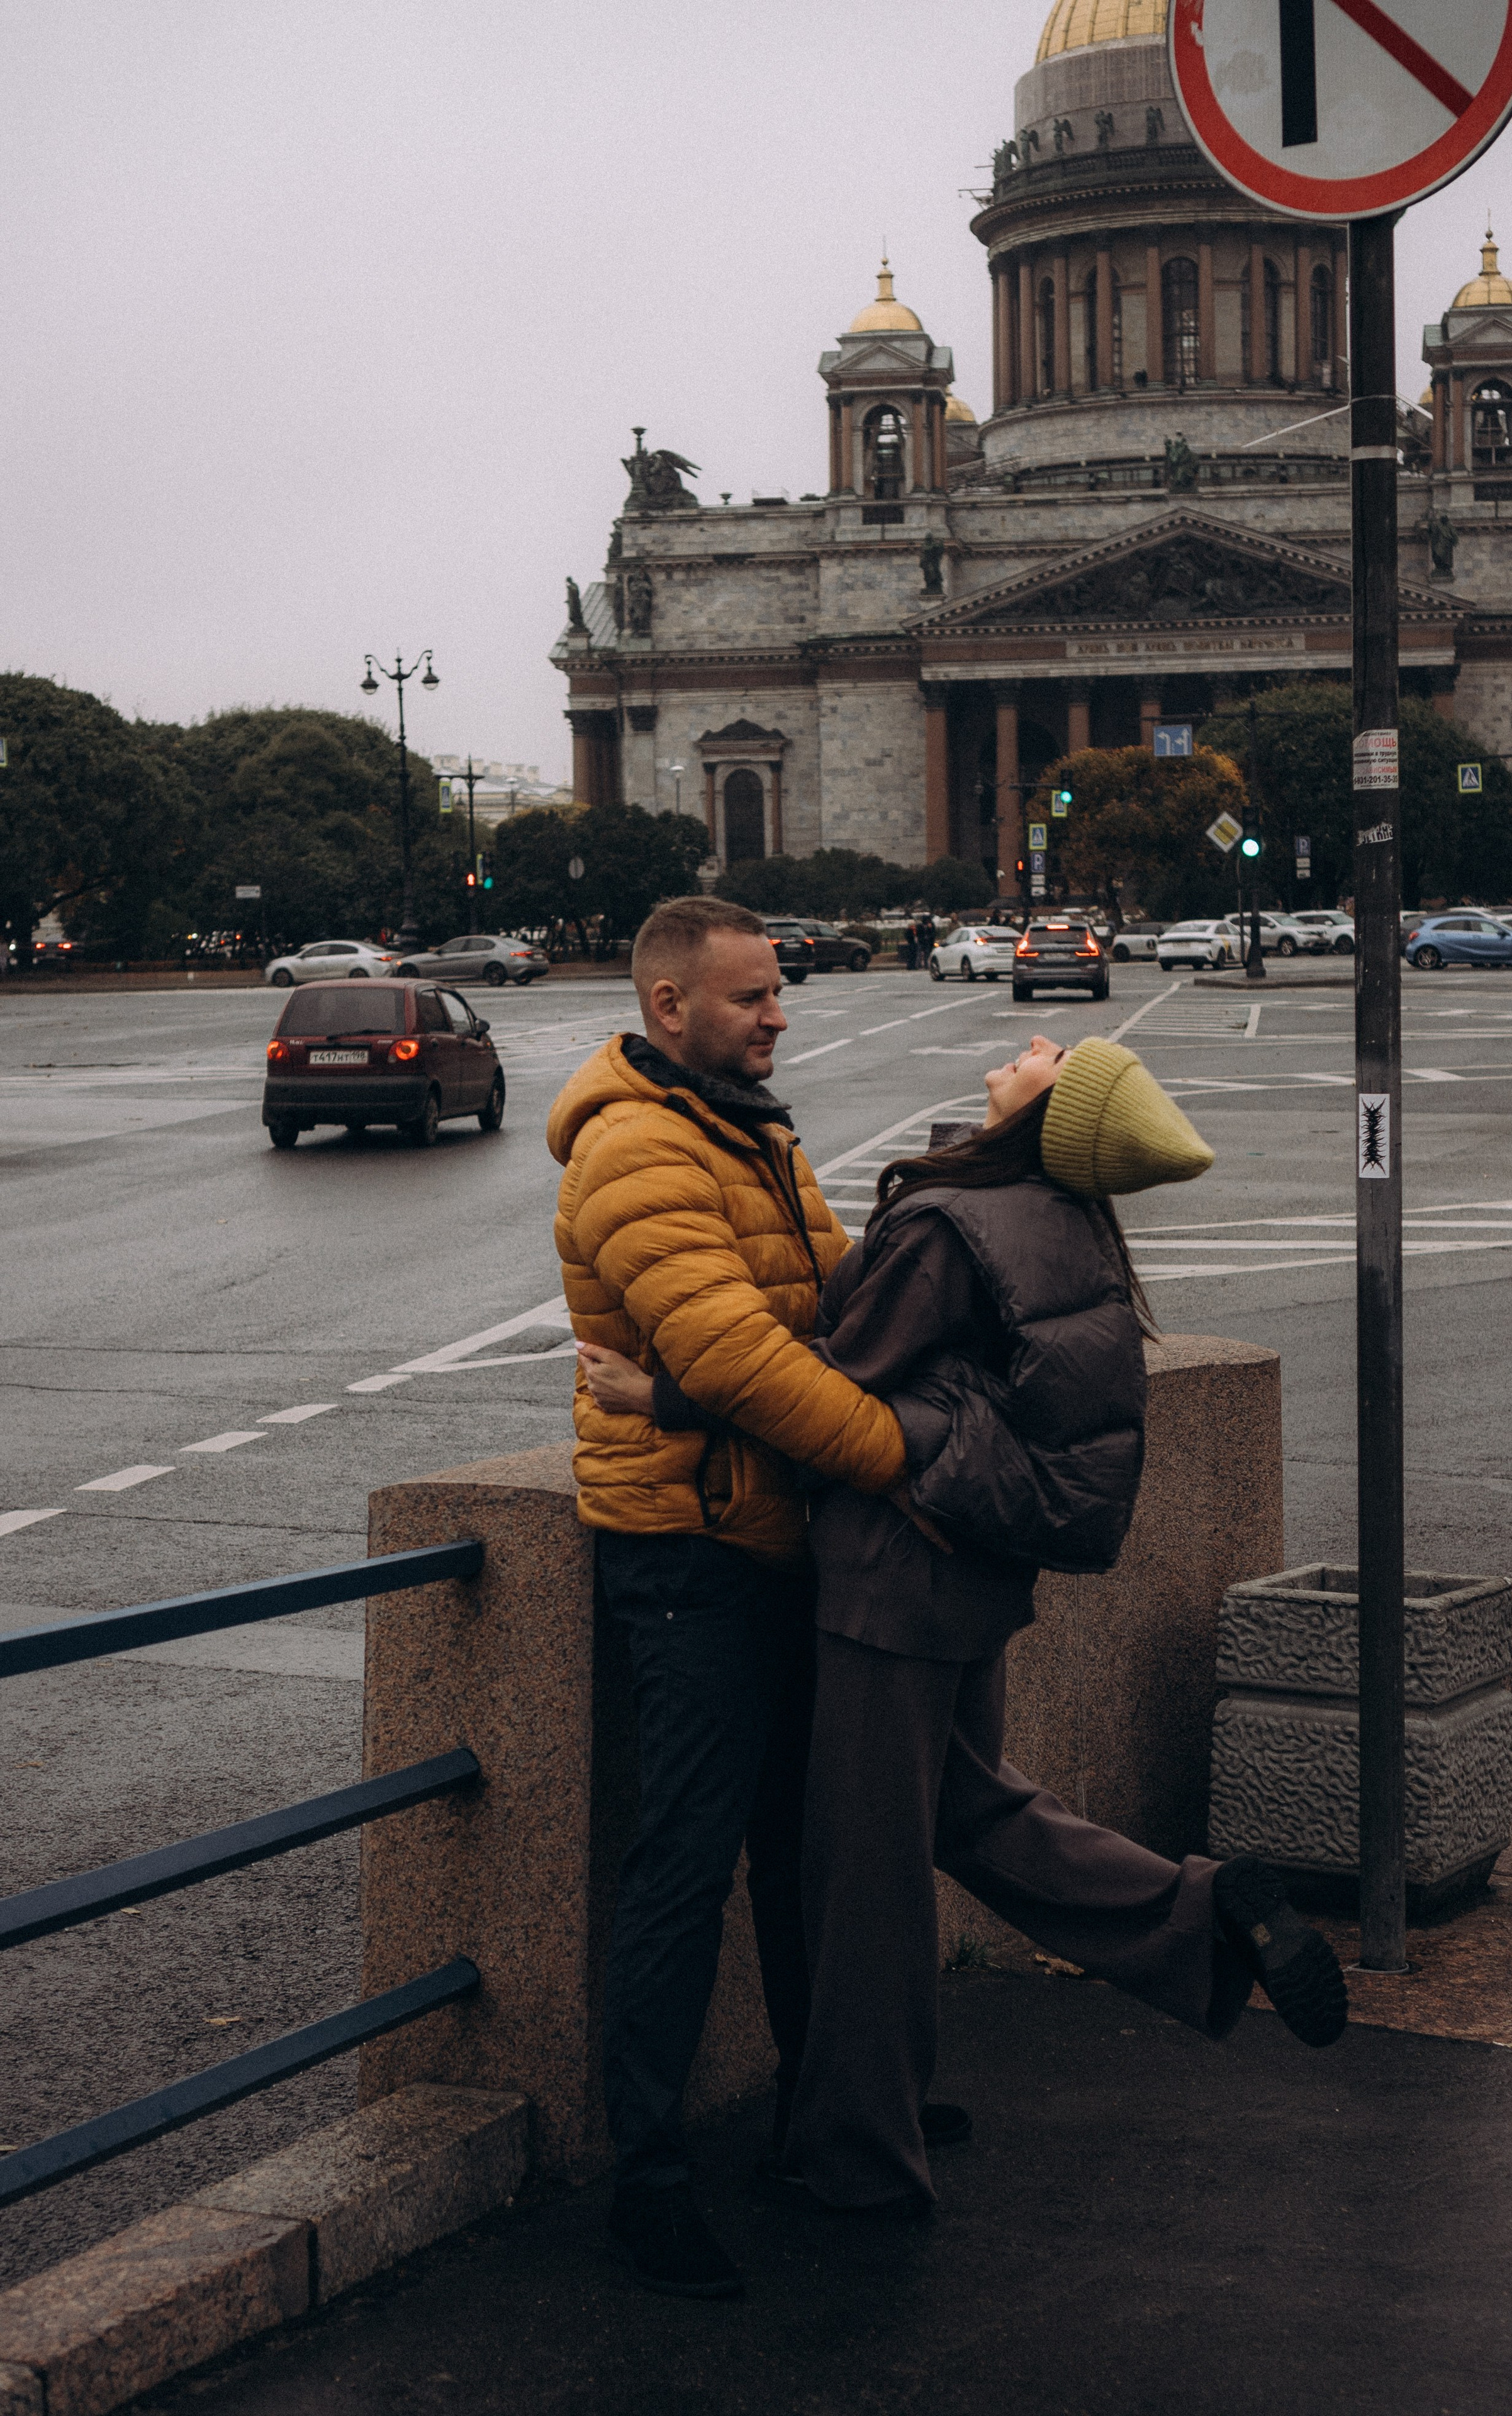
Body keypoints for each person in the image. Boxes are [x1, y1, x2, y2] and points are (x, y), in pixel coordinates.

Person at [583, 1033, 1349, 2222]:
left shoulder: (954, 1225)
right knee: (967, 1811)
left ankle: (860, 2159)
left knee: (865, 1873)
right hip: (974, 1568)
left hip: (898, 1570)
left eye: (1055, 1057)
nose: (1030, 1044)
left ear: (1054, 1117)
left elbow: (831, 1377)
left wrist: (663, 1396)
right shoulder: (1067, 1217)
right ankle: (1201, 1919)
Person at [546, 894, 908, 2300]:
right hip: (689, 1553)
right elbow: (755, 1361)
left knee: (801, 1852)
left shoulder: (746, 1124)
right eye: (753, 996)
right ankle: (650, 2181)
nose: (779, 1012)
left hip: (769, 1528)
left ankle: (822, 2123)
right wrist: (900, 1459)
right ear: (668, 1009)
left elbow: (828, 1302)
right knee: (685, 1868)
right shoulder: (638, 1148)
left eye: (777, 990)